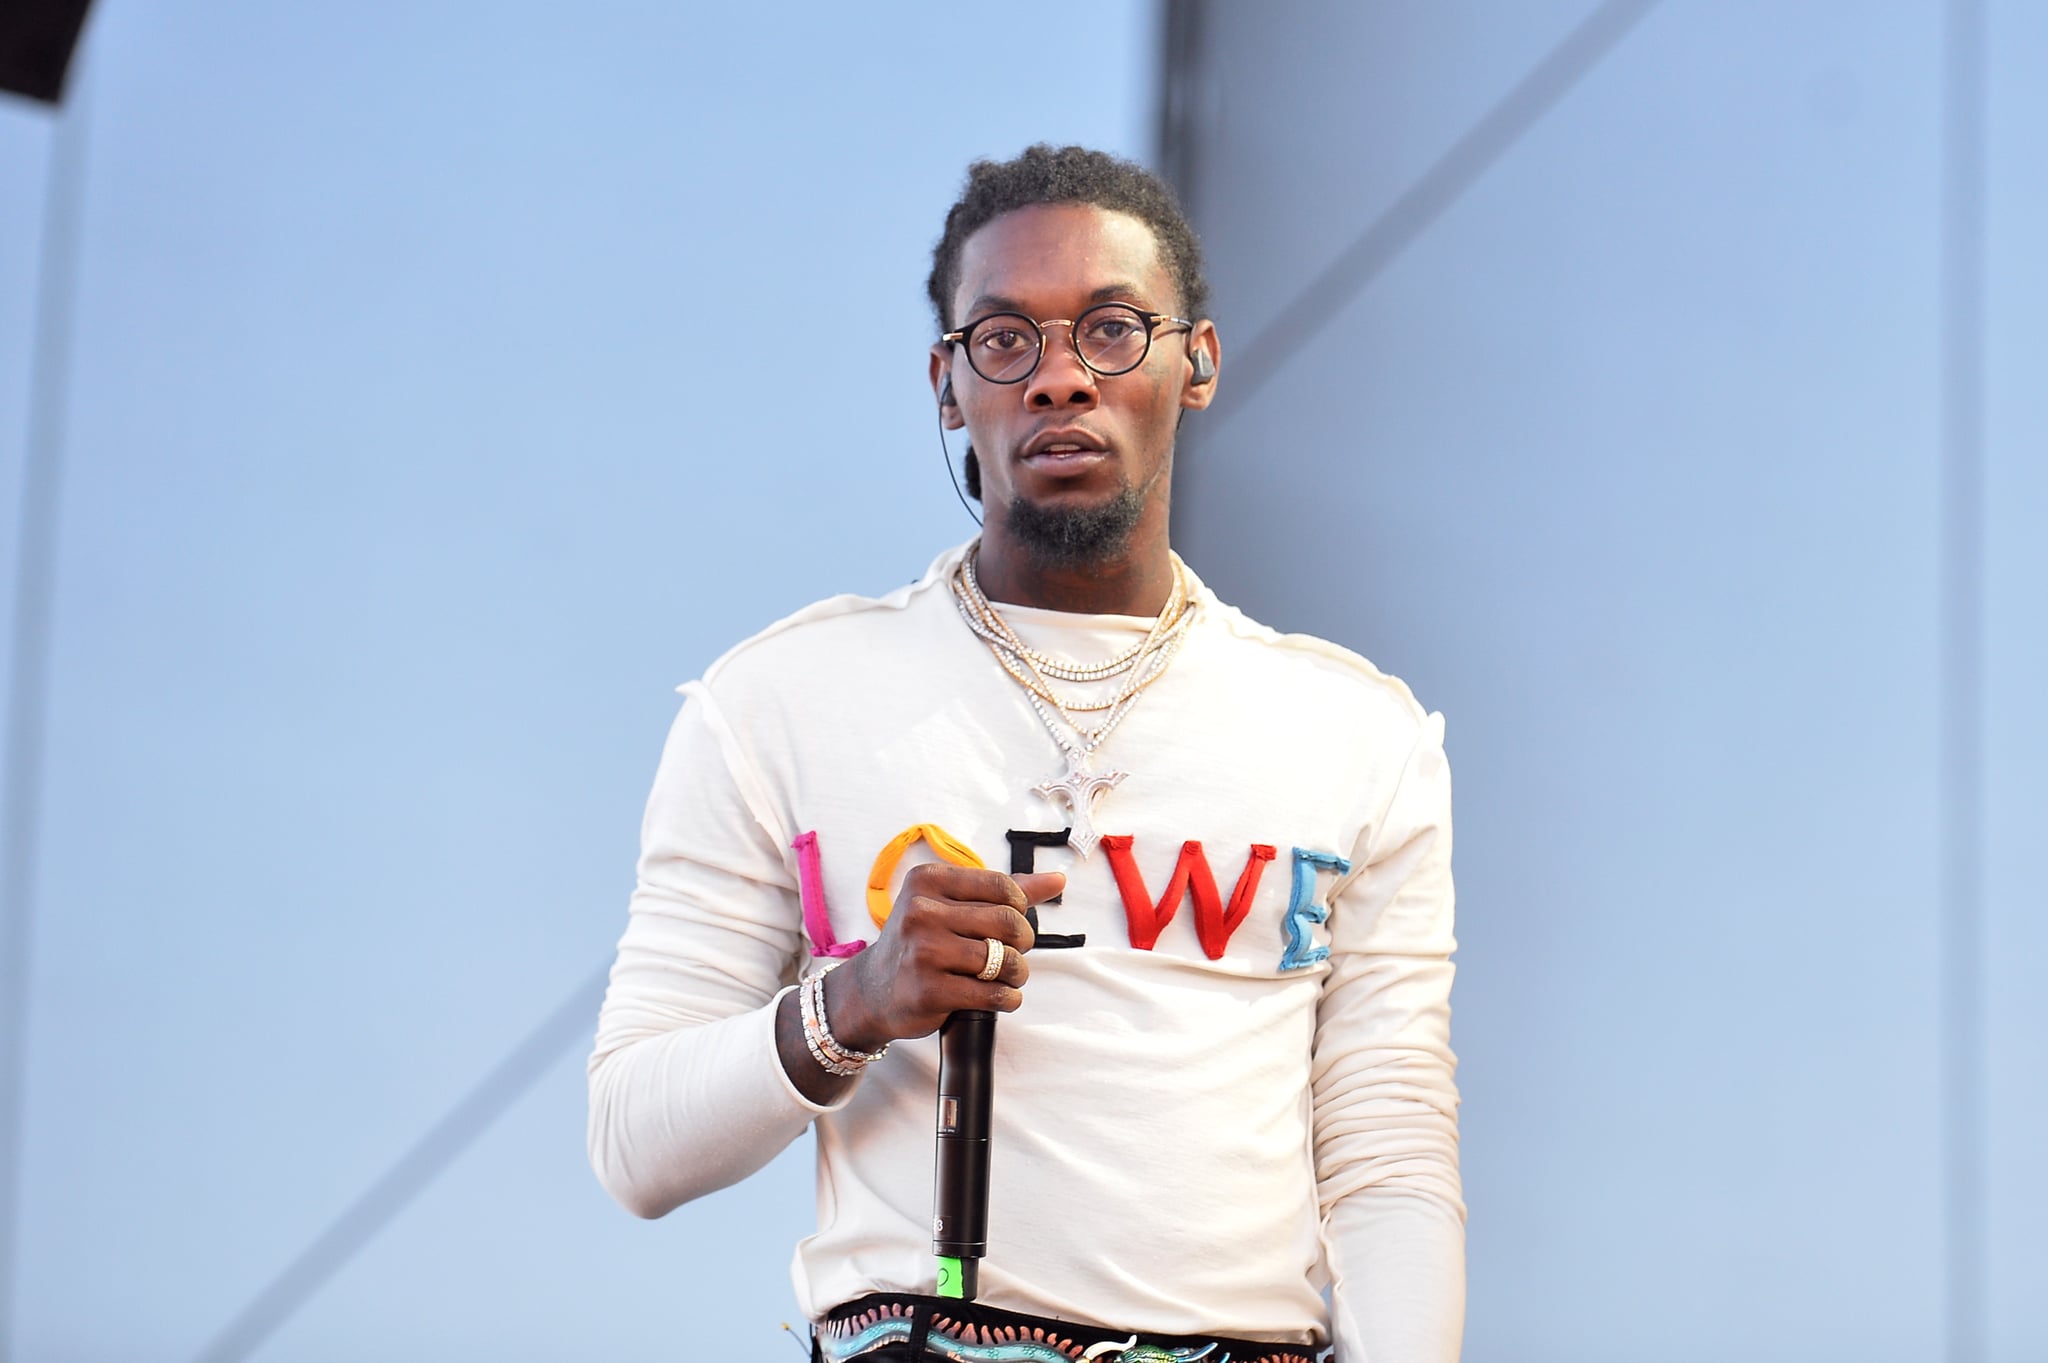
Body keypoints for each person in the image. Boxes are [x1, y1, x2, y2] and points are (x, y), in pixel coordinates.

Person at [588, 144, 1464, 1363]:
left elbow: (1386, 1149)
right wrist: (850, 1004)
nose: (1058, 379)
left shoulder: (1353, 731)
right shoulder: (780, 701)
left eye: (1110, 330)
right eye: (1005, 341)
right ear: (948, 385)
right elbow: (634, 1142)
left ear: (1193, 362)